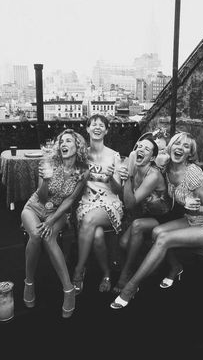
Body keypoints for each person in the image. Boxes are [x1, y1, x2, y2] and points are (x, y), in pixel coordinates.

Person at [110, 131, 203, 309]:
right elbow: (140, 154)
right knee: (156, 232)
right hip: (189, 220)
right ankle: (175, 267)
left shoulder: (192, 173)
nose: (180, 148)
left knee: (164, 238)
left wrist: (196, 209)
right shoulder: (165, 166)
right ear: (170, 147)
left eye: (186, 146)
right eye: (177, 144)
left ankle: (131, 286)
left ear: (190, 153)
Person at [21, 129, 89, 318]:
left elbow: (70, 201)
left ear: (78, 147)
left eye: (68, 141)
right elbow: (41, 197)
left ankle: (68, 290)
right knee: (36, 235)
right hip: (34, 207)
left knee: (49, 236)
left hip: (58, 212)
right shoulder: (48, 163)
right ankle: (29, 282)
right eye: (61, 142)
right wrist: (46, 180)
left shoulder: (83, 171)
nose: (63, 144)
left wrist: (51, 220)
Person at [112, 133, 171, 294]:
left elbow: (130, 204)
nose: (141, 149)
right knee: (124, 243)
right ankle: (141, 268)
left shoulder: (153, 175)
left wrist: (128, 178)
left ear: (152, 158)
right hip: (146, 214)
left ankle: (126, 275)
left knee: (137, 226)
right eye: (139, 147)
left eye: (147, 148)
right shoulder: (135, 169)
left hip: (163, 217)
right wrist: (114, 178)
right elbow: (122, 196)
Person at [72, 114, 124, 295]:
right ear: (87, 129)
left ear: (106, 130)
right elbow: (73, 182)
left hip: (110, 204)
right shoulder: (81, 156)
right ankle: (107, 274)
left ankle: (79, 270)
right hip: (86, 203)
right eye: (93, 124)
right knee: (98, 236)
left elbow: (118, 190)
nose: (97, 127)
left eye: (101, 125)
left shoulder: (114, 156)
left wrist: (111, 178)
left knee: (89, 221)